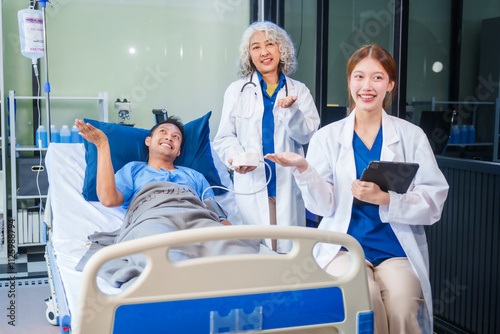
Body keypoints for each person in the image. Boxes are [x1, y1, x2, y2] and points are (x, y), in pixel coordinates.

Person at [265, 44, 449, 334]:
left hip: (396, 249)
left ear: (390, 84)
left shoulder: (410, 136)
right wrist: (304, 169)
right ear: (350, 82)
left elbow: (434, 199)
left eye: (377, 78)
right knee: (367, 301)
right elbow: (322, 207)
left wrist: (386, 199)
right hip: (344, 248)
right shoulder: (328, 137)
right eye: (359, 77)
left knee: (402, 306)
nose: (367, 86)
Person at [74, 117, 260, 287]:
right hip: (153, 216)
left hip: (197, 216)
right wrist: (102, 145)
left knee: (237, 249)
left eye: (176, 136)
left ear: (179, 151)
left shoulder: (194, 175)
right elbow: (108, 199)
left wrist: (231, 234)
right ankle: (184, 292)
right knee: (161, 253)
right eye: (163, 132)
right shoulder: (133, 170)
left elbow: (216, 213)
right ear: (148, 141)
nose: (169, 137)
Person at [213, 21, 320, 253]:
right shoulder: (236, 91)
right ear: (249, 55)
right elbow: (223, 138)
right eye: (256, 47)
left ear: (281, 49)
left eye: (270, 44)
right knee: (256, 254)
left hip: (288, 185)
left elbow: (307, 135)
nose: (264, 52)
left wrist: (292, 111)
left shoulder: (299, 91)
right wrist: (235, 158)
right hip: (252, 183)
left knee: (288, 253)